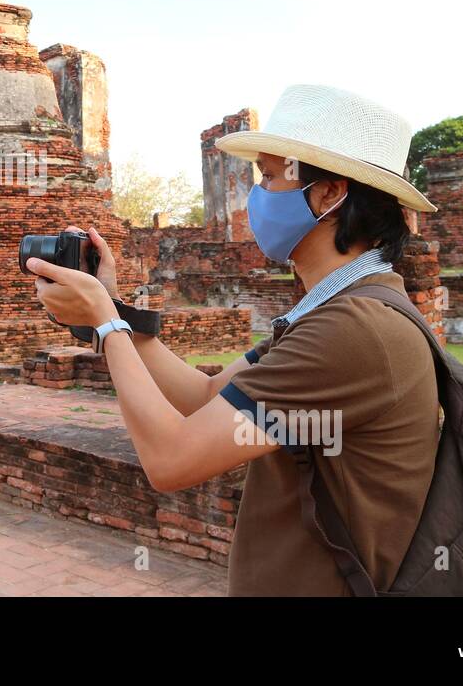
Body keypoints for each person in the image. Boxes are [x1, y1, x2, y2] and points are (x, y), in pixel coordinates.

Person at [24, 83, 441, 596]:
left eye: (269, 177)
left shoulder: (355, 329)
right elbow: (205, 396)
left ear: (330, 193)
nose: (256, 197)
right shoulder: (333, 309)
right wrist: (114, 310)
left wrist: (106, 328)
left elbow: (172, 460)